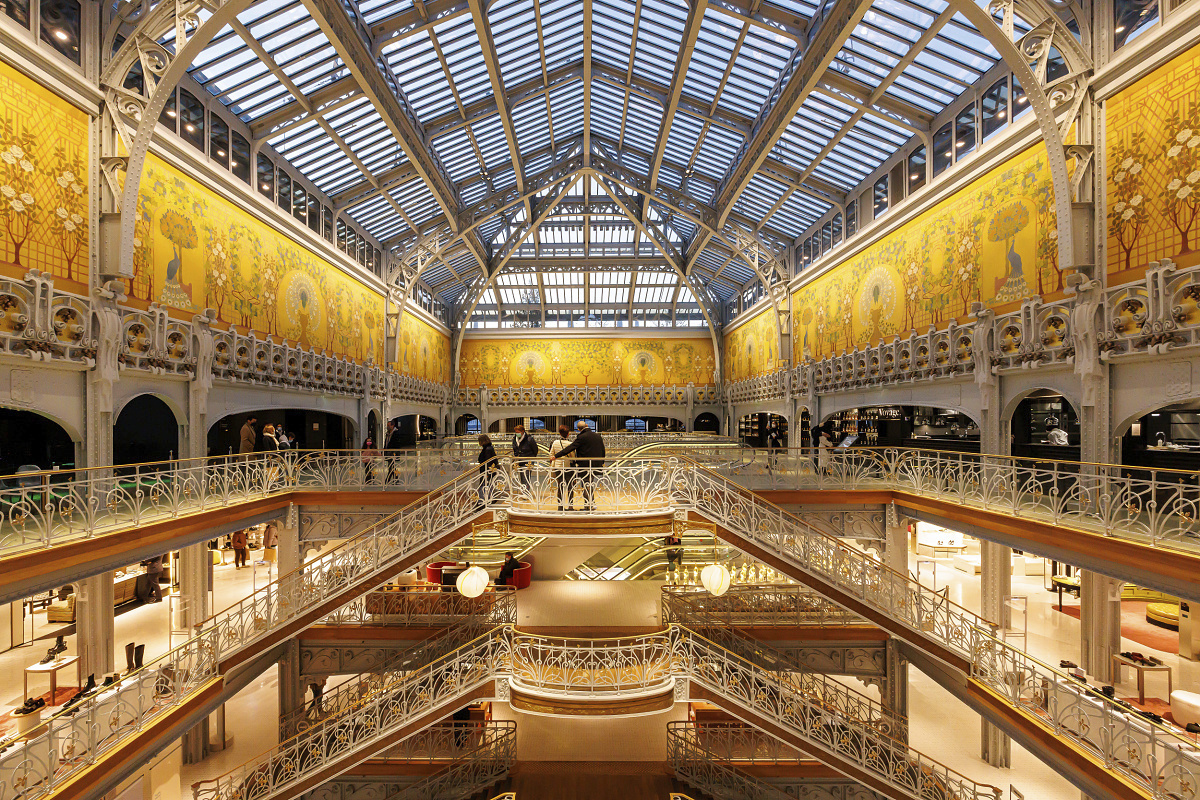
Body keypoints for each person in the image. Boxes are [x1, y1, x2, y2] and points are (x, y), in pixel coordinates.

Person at [549, 421, 605, 511]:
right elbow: (603, 450)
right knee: (589, 484)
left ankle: (589, 506)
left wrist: (556, 456)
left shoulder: (581, 437)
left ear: (579, 429)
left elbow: (570, 448)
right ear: (586, 426)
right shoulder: (598, 436)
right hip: (596, 465)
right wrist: (601, 462)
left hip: (584, 466)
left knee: (585, 484)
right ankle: (590, 505)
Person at [548, 425, 574, 510]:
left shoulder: (555, 443)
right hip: (568, 467)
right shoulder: (570, 444)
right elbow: (573, 457)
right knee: (570, 486)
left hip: (558, 467)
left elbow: (551, 454)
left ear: (560, 434)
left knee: (560, 486)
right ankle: (570, 506)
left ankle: (560, 506)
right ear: (568, 434)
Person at [511, 424, 538, 493]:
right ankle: (524, 491)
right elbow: (515, 450)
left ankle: (526, 492)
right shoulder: (515, 439)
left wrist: (532, 458)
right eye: (516, 432)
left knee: (526, 476)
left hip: (528, 461)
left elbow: (535, 450)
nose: (517, 434)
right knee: (522, 477)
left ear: (523, 431)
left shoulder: (529, 439)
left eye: (518, 432)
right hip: (519, 461)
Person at [477, 434, 497, 507]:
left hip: (487, 470)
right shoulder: (488, 448)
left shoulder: (487, 449)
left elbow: (487, 461)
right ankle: (487, 499)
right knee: (488, 485)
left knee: (484, 485)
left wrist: (487, 472)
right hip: (488, 470)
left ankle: (483, 501)